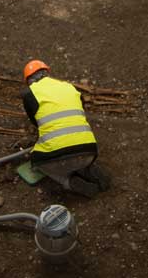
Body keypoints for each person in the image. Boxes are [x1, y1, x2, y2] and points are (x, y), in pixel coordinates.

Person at [21, 60, 111, 197]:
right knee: (76, 156)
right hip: (89, 150)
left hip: (57, 156)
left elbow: (35, 122)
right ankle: (87, 169)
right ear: (47, 72)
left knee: (37, 162)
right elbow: (79, 111)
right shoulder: (69, 87)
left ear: (28, 80)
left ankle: (70, 182)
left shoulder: (29, 93)